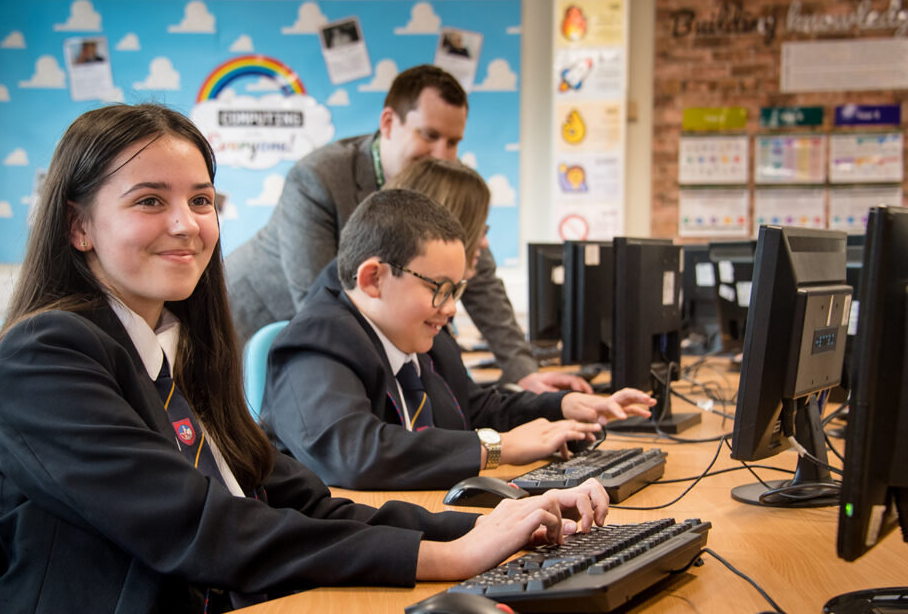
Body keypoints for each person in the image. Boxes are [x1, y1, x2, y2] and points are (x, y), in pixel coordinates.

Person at [0, 104, 611, 614]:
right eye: (151, 200)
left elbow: (308, 504)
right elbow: (206, 529)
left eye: (202, 200)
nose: (187, 224)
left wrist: (493, 524)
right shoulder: (45, 357)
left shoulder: (179, 353)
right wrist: (451, 558)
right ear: (78, 225)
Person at [224, 64, 588, 393]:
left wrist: (522, 371)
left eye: (454, 141)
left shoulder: (438, 189)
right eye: (429, 136)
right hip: (248, 321)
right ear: (388, 123)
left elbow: (480, 279)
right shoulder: (319, 178)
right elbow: (318, 300)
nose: (443, 154)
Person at [262, 188, 655, 490]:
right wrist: (498, 449)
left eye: (457, 290)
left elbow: (475, 408)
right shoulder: (315, 344)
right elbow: (354, 453)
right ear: (373, 279)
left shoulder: (422, 335)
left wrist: (565, 406)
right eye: (441, 288)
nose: (450, 308)